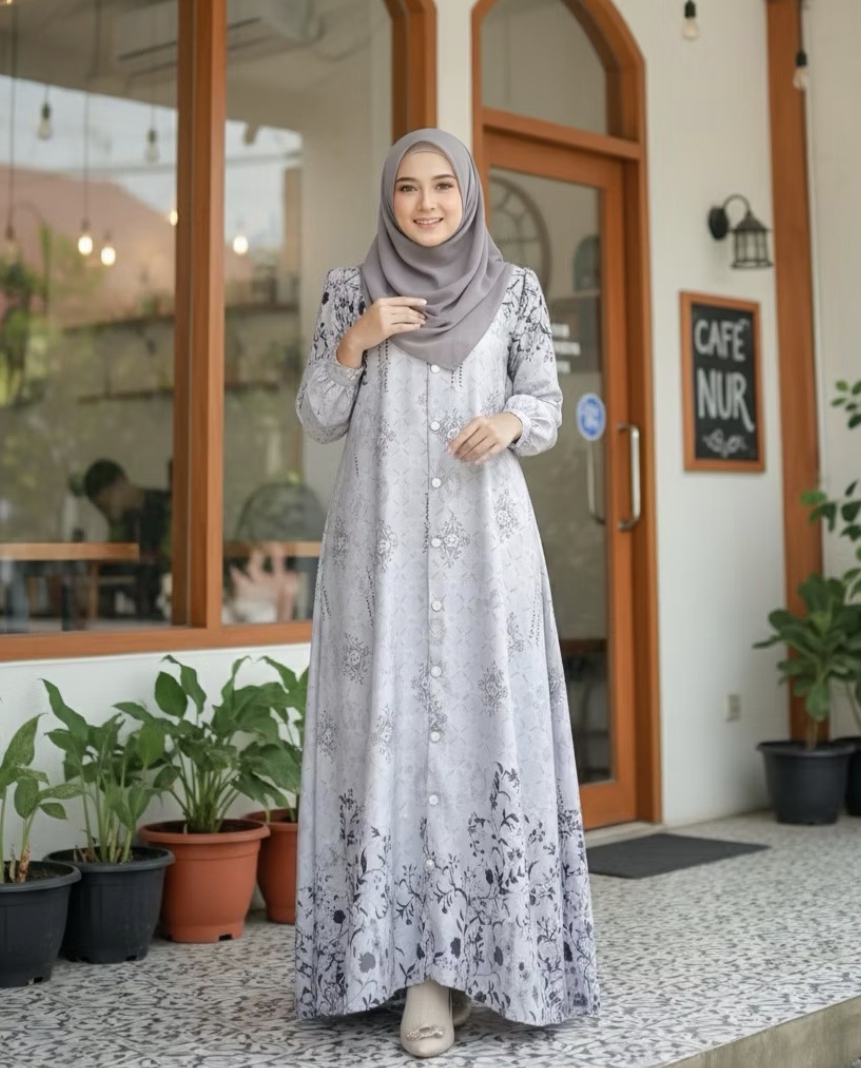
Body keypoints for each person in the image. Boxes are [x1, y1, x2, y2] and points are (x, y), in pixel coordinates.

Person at [293, 129, 599, 1058]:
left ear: (468, 194)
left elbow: (545, 403)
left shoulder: (515, 292)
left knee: (478, 744)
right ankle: (412, 971)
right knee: (391, 748)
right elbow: (317, 416)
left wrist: (508, 420)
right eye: (408, 188)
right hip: (380, 564)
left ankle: (476, 964)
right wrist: (357, 340)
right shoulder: (353, 289)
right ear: (389, 198)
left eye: (442, 186)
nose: (426, 203)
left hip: (484, 567)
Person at [81, 459, 171, 619]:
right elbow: (113, 558)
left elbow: (169, 556)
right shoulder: (121, 521)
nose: (108, 512)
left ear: (120, 483)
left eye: (107, 505)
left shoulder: (167, 507)